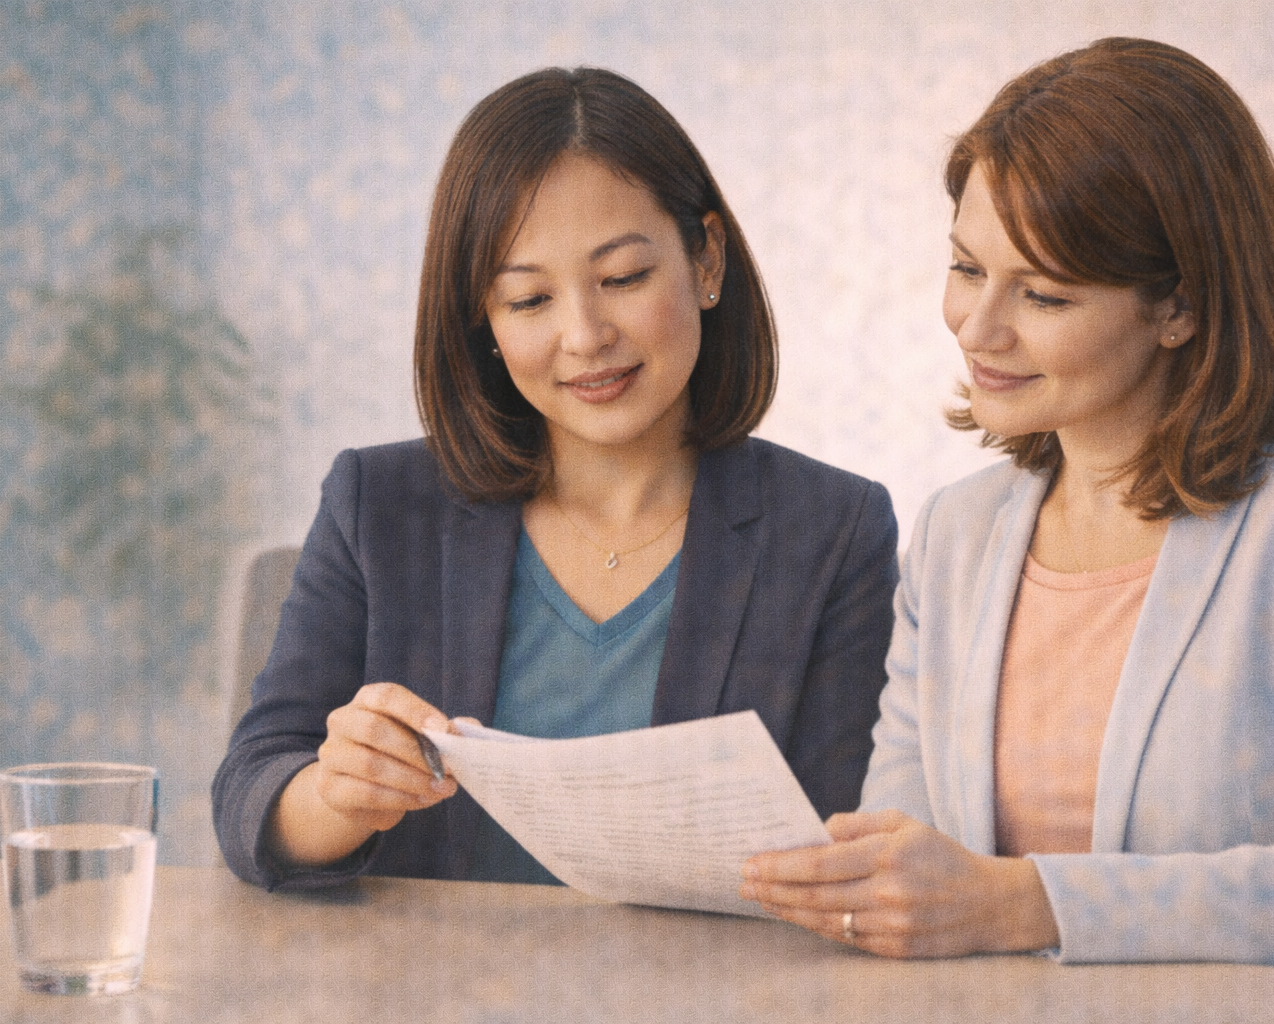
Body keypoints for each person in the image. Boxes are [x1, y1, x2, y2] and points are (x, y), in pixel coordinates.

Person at [739, 37, 1274, 979]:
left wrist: (1023, 900)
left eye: (1043, 294)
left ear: (1179, 307)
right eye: (967, 269)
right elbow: (912, 867)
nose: (977, 327)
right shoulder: (956, 537)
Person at [213, 67, 898, 890]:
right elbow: (250, 796)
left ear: (706, 257)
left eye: (623, 279)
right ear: (485, 323)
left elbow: (848, 839)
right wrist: (334, 794)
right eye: (530, 299)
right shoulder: (379, 502)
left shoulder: (834, 529)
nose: (584, 335)